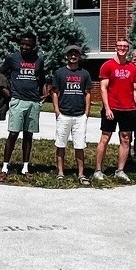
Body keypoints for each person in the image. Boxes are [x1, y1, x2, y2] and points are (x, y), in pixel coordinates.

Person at [0, 31, 49, 176]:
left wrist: (43, 94)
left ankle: (25, 167)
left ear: (33, 46)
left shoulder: (38, 61)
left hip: (33, 102)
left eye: (28, 44)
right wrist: (5, 90)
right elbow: (1, 74)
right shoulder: (12, 58)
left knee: (28, 135)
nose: (24, 47)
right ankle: (5, 167)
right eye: (22, 44)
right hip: (17, 100)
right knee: (13, 133)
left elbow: (41, 79)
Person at [93, 37, 136, 183]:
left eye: (125, 46)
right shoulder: (108, 65)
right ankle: (98, 170)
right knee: (105, 138)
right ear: (115, 47)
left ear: (128, 49)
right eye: (119, 46)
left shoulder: (132, 68)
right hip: (112, 108)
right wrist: (107, 108)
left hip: (128, 109)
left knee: (126, 139)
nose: (122, 48)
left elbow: (135, 89)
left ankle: (120, 170)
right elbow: (103, 88)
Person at [49, 46, 94, 180]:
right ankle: (60, 173)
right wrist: (57, 110)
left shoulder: (84, 74)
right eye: (71, 54)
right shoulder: (60, 73)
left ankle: (81, 174)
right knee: (61, 144)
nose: (73, 57)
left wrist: (86, 112)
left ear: (79, 57)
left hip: (79, 116)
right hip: (64, 114)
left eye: (76, 54)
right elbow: (55, 92)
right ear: (67, 56)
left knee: (79, 145)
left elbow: (87, 93)